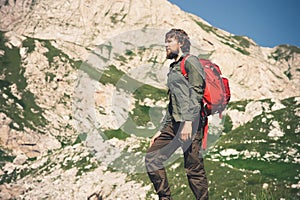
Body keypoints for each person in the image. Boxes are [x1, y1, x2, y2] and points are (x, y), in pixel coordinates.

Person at [145, 29, 208, 200]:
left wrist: (188, 122)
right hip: (173, 125)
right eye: (165, 41)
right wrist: (161, 129)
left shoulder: (191, 61)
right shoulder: (173, 68)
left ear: (180, 43)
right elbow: (173, 103)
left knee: (193, 169)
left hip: (191, 124)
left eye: (169, 41)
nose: (165, 45)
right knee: (152, 158)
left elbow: (196, 92)